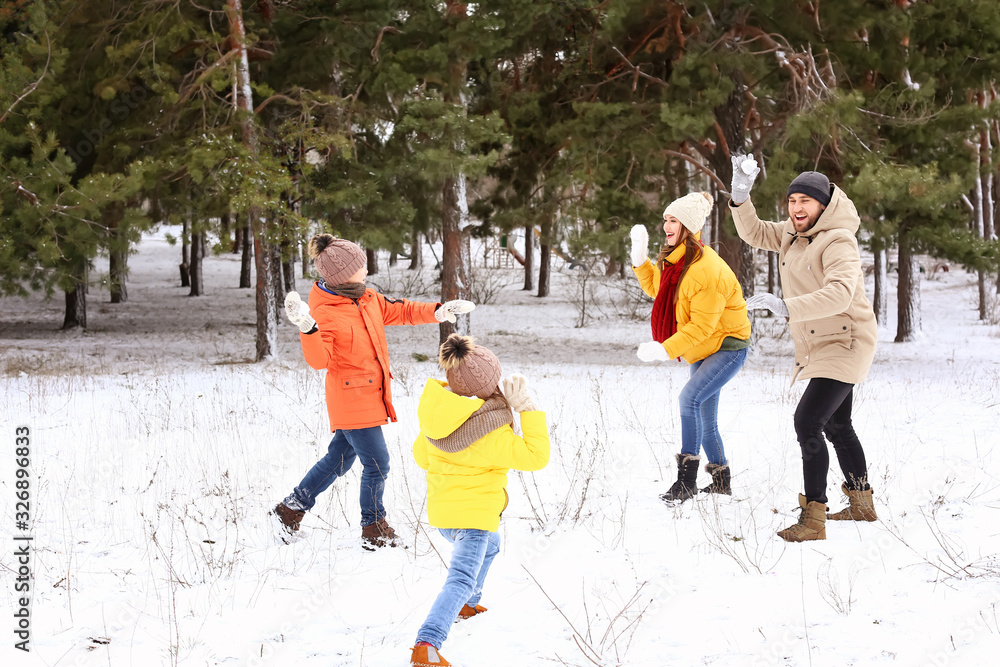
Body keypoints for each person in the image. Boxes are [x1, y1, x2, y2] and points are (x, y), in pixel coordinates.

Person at [274, 233, 475, 548]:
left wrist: (437, 312)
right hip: (351, 399)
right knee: (378, 462)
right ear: (343, 275)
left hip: (370, 395)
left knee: (339, 458)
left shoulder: (366, 298)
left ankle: (291, 508)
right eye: (361, 267)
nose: (366, 271)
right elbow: (318, 361)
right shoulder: (326, 312)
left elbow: (402, 310)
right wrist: (308, 329)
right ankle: (374, 526)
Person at [729, 156, 879, 543]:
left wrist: (786, 307)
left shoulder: (838, 240)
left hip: (847, 339)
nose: (797, 208)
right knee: (838, 424)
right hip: (822, 341)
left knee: (808, 421)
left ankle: (814, 518)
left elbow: (841, 292)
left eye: (805, 202)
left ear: (823, 206)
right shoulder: (793, 234)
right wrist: (741, 195)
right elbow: (755, 233)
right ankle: (862, 502)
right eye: (793, 200)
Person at [409, 334, 550, 667]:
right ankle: (427, 644)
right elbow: (536, 456)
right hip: (474, 519)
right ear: (488, 388)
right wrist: (527, 409)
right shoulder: (492, 432)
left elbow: (422, 457)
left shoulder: (438, 414)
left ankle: (467, 604)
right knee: (460, 577)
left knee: (493, 545)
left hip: (445, 515)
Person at [629, 192, 752, 504]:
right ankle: (721, 482)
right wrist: (641, 261)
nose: (667, 226)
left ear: (689, 227)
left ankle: (686, 482)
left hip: (727, 346)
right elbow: (660, 290)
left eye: (674, 221)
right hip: (706, 347)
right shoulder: (680, 262)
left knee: (689, 399)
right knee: (705, 417)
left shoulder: (705, 270)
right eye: (666, 220)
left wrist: (664, 349)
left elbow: (702, 327)